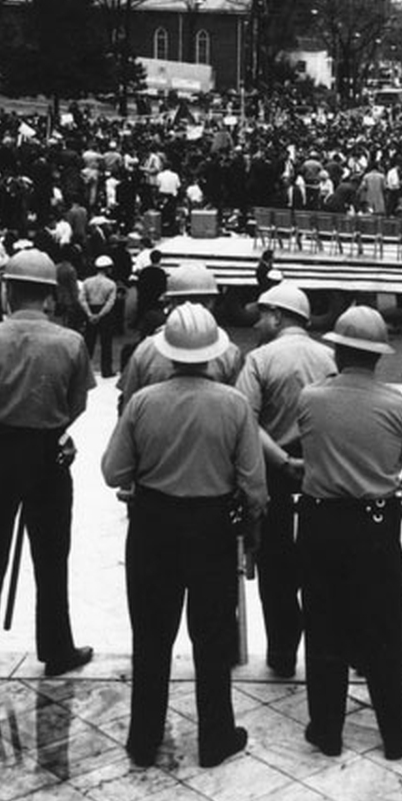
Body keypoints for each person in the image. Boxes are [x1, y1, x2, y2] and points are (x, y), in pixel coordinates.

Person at [101, 304, 263, 769]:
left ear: (167, 353)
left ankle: (144, 738)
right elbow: (253, 482)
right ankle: (215, 736)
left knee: (151, 635)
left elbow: (114, 471)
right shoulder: (233, 404)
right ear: (214, 353)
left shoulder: (143, 402)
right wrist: (251, 533)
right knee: (212, 637)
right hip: (211, 527)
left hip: (153, 525)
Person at [0, 248, 95, 683]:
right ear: (50, 297)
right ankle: (56, 648)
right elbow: (77, 403)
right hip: (46, 454)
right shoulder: (70, 342)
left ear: (9, 290)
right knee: (52, 557)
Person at [297, 305, 402, 760]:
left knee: (323, 625)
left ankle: (327, 728)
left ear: (339, 351)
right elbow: (399, 460)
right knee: (383, 627)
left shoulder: (310, 398)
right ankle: (395, 729)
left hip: (320, 520)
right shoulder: (395, 405)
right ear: (378, 357)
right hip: (374, 523)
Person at [231, 282, 334, 678]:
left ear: (277, 316)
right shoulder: (330, 358)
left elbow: (245, 420)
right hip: (321, 475)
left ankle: (282, 653)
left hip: (274, 475)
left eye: (262, 315)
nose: (258, 322)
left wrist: (282, 460)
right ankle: (325, 653)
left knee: (275, 568)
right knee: (320, 566)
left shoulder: (259, 360)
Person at [116, 263, 241, 412]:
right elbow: (238, 410)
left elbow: (128, 408)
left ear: (171, 302)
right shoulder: (229, 352)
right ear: (212, 302)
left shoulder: (146, 350)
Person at [78, 255, 120, 378]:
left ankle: (83, 371)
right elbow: (110, 303)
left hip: (90, 310)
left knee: (88, 343)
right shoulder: (111, 284)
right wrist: (100, 315)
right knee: (106, 343)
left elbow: (82, 299)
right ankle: (106, 370)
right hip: (104, 314)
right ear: (108, 269)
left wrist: (89, 314)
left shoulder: (87, 282)